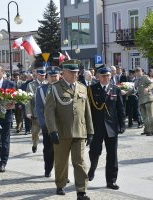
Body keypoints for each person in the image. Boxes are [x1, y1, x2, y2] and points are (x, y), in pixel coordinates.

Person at [45, 59, 94, 200]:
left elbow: (87, 111)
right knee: (61, 161)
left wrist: (90, 130)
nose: (74, 75)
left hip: (79, 130)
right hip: (61, 132)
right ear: (64, 73)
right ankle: (60, 184)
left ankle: (81, 190)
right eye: (71, 72)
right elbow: (49, 112)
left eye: (76, 72)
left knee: (79, 161)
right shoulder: (55, 88)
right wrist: (52, 130)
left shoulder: (82, 88)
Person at [87, 66, 125, 190]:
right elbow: (88, 110)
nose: (106, 78)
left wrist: (122, 124)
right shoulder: (91, 89)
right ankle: (92, 168)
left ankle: (111, 180)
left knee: (112, 155)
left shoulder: (115, 89)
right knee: (95, 152)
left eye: (108, 75)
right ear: (98, 76)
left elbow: (120, 108)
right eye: (103, 76)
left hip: (111, 127)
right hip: (96, 127)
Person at [35, 66, 60, 178]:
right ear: (47, 77)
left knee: (62, 151)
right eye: (51, 76)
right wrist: (45, 125)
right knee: (48, 150)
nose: (54, 78)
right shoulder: (41, 90)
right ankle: (48, 168)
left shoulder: (63, 88)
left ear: (59, 76)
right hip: (48, 126)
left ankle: (61, 173)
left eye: (55, 76)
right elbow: (39, 109)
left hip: (62, 125)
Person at [26, 66, 47, 153]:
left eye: (44, 75)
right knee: (35, 132)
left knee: (47, 133)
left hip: (47, 113)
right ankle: (35, 144)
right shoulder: (31, 85)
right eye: (40, 75)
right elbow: (27, 100)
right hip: (35, 113)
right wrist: (28, 112)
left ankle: (47, 147)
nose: (42, 77)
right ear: (37, 75)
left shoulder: (48, 84)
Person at [129, 67, 153, 136]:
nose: (137, 73)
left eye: (138, 72)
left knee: (150, 115)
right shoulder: (137, 80)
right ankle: (146, 130)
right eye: (136, 72)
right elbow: (133, 89)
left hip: (148, 98)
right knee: (144, 116)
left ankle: (151, 130)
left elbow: (151, 84)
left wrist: (148, 88)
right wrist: (125, 93)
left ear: (141, 72)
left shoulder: (145, 77)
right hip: (141, 100)